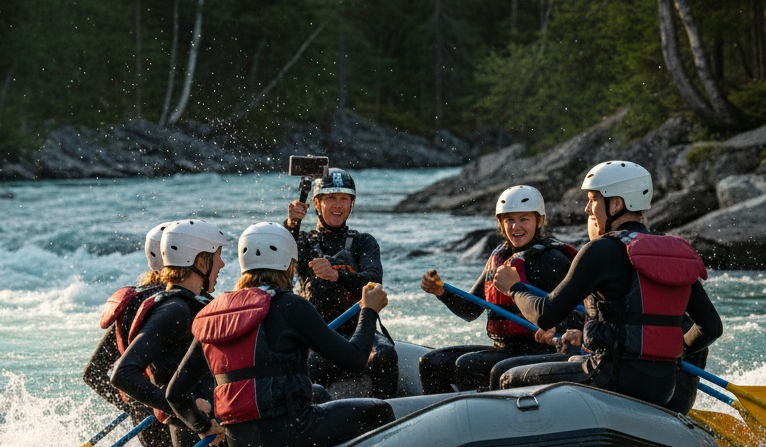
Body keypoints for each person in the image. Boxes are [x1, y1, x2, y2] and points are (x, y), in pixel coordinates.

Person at [165, 221, 395, 447]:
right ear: (289, 264)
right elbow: (354, 359)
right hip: (288, 436)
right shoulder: (290, 305)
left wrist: (202, 426)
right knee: (380, 411)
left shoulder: (214, 311)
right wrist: (369, 311)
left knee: (317, 393)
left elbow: (174, 394)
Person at [493, 161, 722, 409]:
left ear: (616, 204)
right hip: (663, 388)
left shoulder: (601, 249)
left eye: (593, 199)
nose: (587, 208)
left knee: (507, 377)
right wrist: (674, 353)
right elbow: (711, 327)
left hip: (608, 377)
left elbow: (546, 314)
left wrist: (514, 288)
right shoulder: (676, 253)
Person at [418, 185, 579, 393]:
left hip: (541, 350)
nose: (516, 227)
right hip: (505, 349)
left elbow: (579, 307)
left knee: (469, 365)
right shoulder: (499, 258)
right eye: (509, 220)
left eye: (524, 219)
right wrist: (441, 293)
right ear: (501, 223)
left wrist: (558, 327)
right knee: (431, 363)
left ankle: (479, 420)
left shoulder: (551, 259)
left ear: (539, 221)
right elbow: (471, 310)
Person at [110, 219, 228, 447]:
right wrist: (195, 418)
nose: (223, 264)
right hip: (201, 440)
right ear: (200, 261)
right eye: (218, 257)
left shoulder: (187, 304)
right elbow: (122, 374)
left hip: (206, 428)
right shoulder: (174, 310)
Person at [283, 167, 399, 398]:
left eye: (344, 199)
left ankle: (383, 414)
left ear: (351, 204)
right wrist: (291, 224)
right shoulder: (303, 241)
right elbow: (278, 257)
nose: (338, 205)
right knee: (310, 366)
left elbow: (373, 280)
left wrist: (338, 276)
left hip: (360, 329)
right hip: (318, 332)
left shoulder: (363, 242)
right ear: (316, 203)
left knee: (385, 356)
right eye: (331, 198)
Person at [82, 221, 175, 447]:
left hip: (149, 428)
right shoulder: (177, 307)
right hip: (173, 428)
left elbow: (93, 374)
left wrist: (136, 408)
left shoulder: (136, 304)